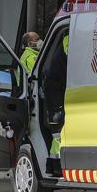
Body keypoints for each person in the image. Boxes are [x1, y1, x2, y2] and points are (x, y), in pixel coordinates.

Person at [43, 32, 69, 176]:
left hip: (55, 89)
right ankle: (56, 166)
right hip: (56, 90)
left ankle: (53, 166)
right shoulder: (69, 40)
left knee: (57, 131)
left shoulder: (65, 42)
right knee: (59, 129)